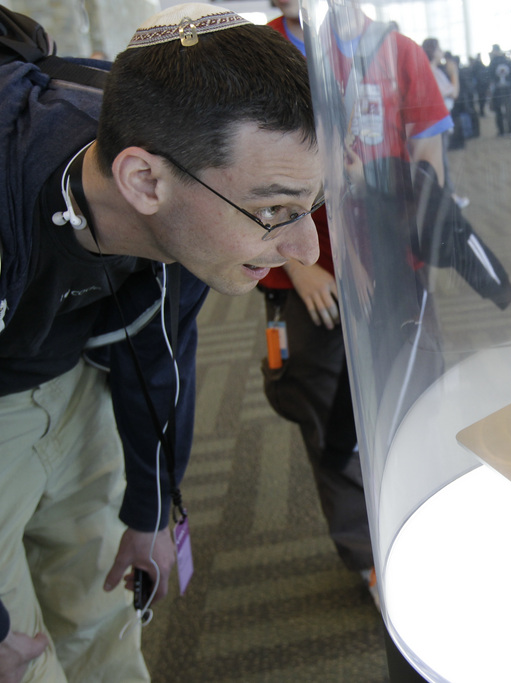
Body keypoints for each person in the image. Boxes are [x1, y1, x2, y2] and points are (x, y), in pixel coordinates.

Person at [0, 4, 320, 681]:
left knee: (101, 612)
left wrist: (149, 508)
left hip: (70, 368)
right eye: (273, 212)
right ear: (144, 181)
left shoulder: (186, 226)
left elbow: (160, 346)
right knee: (20, 657)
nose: (303, 248)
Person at [263, 0, 376, 604]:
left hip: (379, 270)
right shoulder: (262, 54)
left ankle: (395, 529)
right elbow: (238, 180)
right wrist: (295, 265)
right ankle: (366, 558)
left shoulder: (377, 48)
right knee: (327, 417)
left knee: (391, 407)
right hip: (310, 281)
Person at [423, 38, 470, 209]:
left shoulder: (432, 71)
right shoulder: (431, 72)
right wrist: (454, 73)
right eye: (439, 48)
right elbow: (453, 93)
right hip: (437, 123)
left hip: (437, 122)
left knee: (440, 162)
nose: (442, 51)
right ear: (433, 51)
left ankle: (448, 197)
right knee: (441, 162)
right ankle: (450, 198)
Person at [489, 44, 511, 138]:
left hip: (498, 89)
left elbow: (490, 77)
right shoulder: (508, 61)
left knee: (499, 110)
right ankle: (510, 131)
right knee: (509, 110)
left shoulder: (493, 63)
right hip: (507, 89)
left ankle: (501, 131)